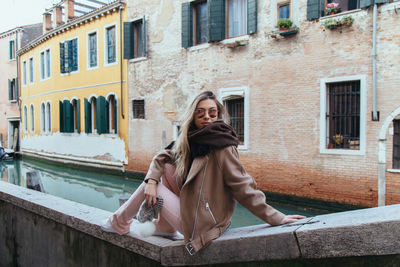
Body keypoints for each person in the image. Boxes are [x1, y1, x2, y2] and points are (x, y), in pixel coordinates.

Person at [103, 91, 305, 255]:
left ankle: (119, 222)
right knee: (165, 168)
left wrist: (276, 218)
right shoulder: (189, 141)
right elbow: (162, 157)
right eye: (200, 113)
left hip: (203, 224)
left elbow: (244, 188)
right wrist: (153, 179)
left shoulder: (222, 146)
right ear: (193, 116)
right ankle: (164, 228)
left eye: (212, 112)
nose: (207, 117)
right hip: (193, 210)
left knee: (149, 187)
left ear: (218, 115)